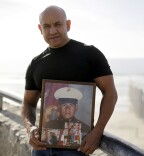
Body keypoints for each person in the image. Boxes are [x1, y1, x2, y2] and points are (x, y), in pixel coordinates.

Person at [21, 5, 118, 156]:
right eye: (47, 26)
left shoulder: (90, 54)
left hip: (77, 150)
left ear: (68, 25)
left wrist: (98, 132)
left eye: (58, 24)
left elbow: (110, 93)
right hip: (41, 150)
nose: (52, 31)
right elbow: (28, 102)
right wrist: (30, 128)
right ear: (40, 29)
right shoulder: (36, 63)